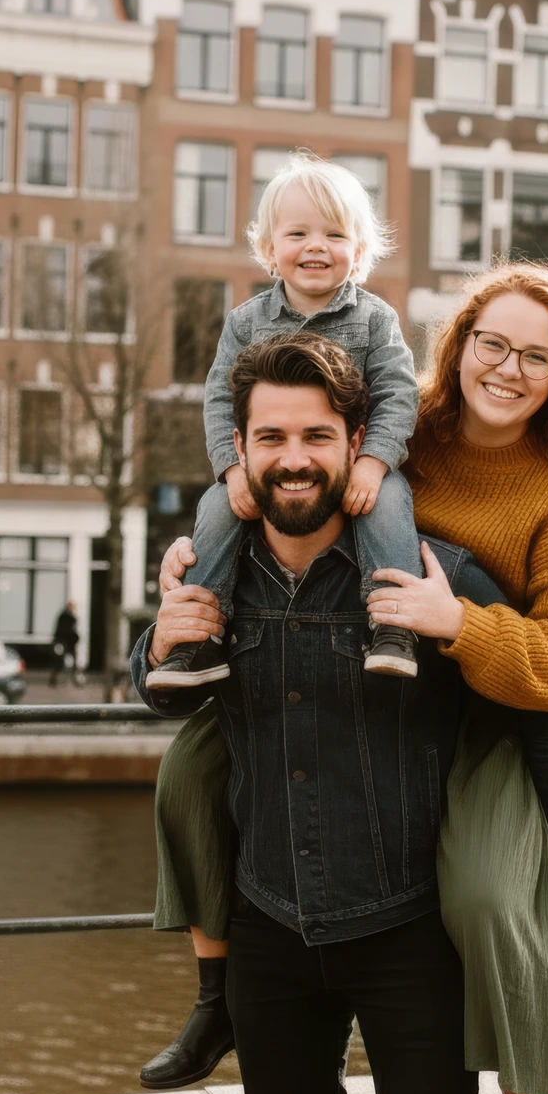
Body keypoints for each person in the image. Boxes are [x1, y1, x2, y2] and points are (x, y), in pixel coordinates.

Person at [143, 262, 548, 1094]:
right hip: (379, 697)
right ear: (458, 344)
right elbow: (294, 485)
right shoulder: (397, 430)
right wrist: (200, 559)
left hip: (498, 714)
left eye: (535, 356)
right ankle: (215, 999)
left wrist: (455, 621)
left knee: (488, 899)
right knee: (193, 779)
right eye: (490, 344)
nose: (506, 369)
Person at [132, 333, 519, 1094]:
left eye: (314, 436)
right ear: (237, 455)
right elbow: (168, 710)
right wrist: (153, 651)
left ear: (355, 450)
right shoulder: (211, 582)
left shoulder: (429, 572)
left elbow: (542, 702)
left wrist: (468, 627)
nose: (291, 458)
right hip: (267, 930)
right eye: (269, 438)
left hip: (404, 934)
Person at [145, 152, 423, 691]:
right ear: (270, 250)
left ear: (359, 253)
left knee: (389, 502)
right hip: (261, 468)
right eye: (298, 233)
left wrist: (373, 462)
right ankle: (197, 636)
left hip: (356, 461)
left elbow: (397, 393)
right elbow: (219, 401)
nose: (316, 245)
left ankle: (393, 624)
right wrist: (232, 471)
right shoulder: (246, 321)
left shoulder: (376, 318)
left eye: (335, 234)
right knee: (214, 508)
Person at [49, 601, 80, 687]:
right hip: (64, 642)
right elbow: (66, 630)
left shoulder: (66, 616)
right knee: (59, 661)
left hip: (68, 643)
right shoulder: (66, 616)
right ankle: (54, 679)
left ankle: (55, 679)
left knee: (64, 661)